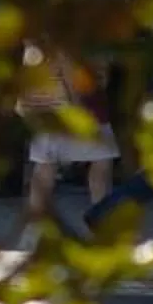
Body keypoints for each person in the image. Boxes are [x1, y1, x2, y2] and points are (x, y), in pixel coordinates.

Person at [20, 47, 117, 228]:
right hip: (70, 106)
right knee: (100, 165)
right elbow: (67, 65)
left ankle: (34, 223)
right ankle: (102, 218)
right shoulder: (67, 34)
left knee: (46, 165)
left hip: (47, 105)